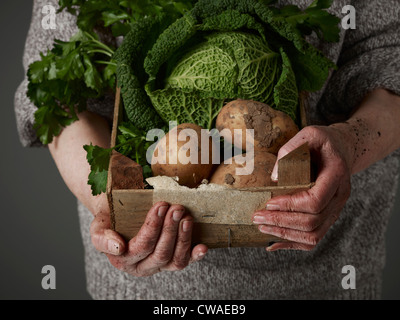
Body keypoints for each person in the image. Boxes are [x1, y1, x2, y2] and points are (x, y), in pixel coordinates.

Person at [15, 0, 400, 299]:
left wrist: (349, 143)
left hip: (329, 273)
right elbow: (55, 95)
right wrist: (109, 205)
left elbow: (390, 62)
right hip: (145, 292)